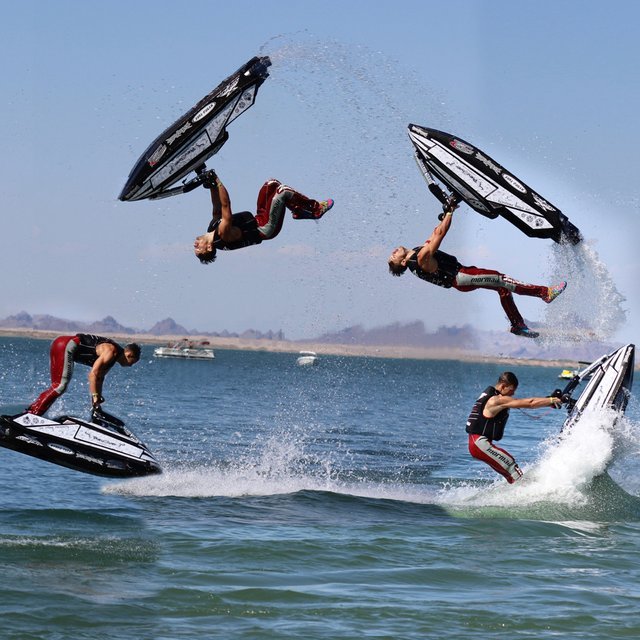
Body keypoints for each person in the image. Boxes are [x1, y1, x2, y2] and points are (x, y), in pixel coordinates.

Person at [387, 201, 567, 338]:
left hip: (462, 274)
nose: (393, 252)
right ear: (402, 263)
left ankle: (517, 325)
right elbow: (440, 236)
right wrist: (449, 212)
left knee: (502, 288)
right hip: (461, 277)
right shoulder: (419, 259)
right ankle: (544, 293)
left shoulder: (417, 253)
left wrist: (447, 211)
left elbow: (435, 232)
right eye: (393, 258)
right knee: (499, 279)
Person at [193, 170, 334, 264]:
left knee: (271, 184)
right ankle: (316, 210)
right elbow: (226, 206)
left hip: (259, 218)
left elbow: (217, 207)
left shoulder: (211, 228)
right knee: (282, 192)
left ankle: (298, 211)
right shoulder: (222, 235)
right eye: (199, 249)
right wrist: (217, 181)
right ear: (209, 248)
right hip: (266, 228)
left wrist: (211, 185)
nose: (195, 245)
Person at [466, 371, 563, 483]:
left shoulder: (492, 396)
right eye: (511, 390)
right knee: (512, 466)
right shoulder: (496, 400)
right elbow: (530, 403)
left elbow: (523, 403)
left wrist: (548, 401)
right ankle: (528, 493)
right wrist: (552, 400)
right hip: (479, 444)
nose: (512, 394)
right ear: (503, 386)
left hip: (477, 444)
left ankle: (512, 496)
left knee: (511, 475)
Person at [28, 334, 141, 416]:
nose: (131, 366)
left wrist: (96, 404)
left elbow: (99, 379)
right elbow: (93, 375)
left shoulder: (112, 359)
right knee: (60, 386)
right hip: (64, 345)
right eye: (133, 362)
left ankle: (33, 410)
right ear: (129, 354)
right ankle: (32, 414)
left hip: (62, 345)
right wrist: (95, 396)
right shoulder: (112, 352)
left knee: (58, 386)